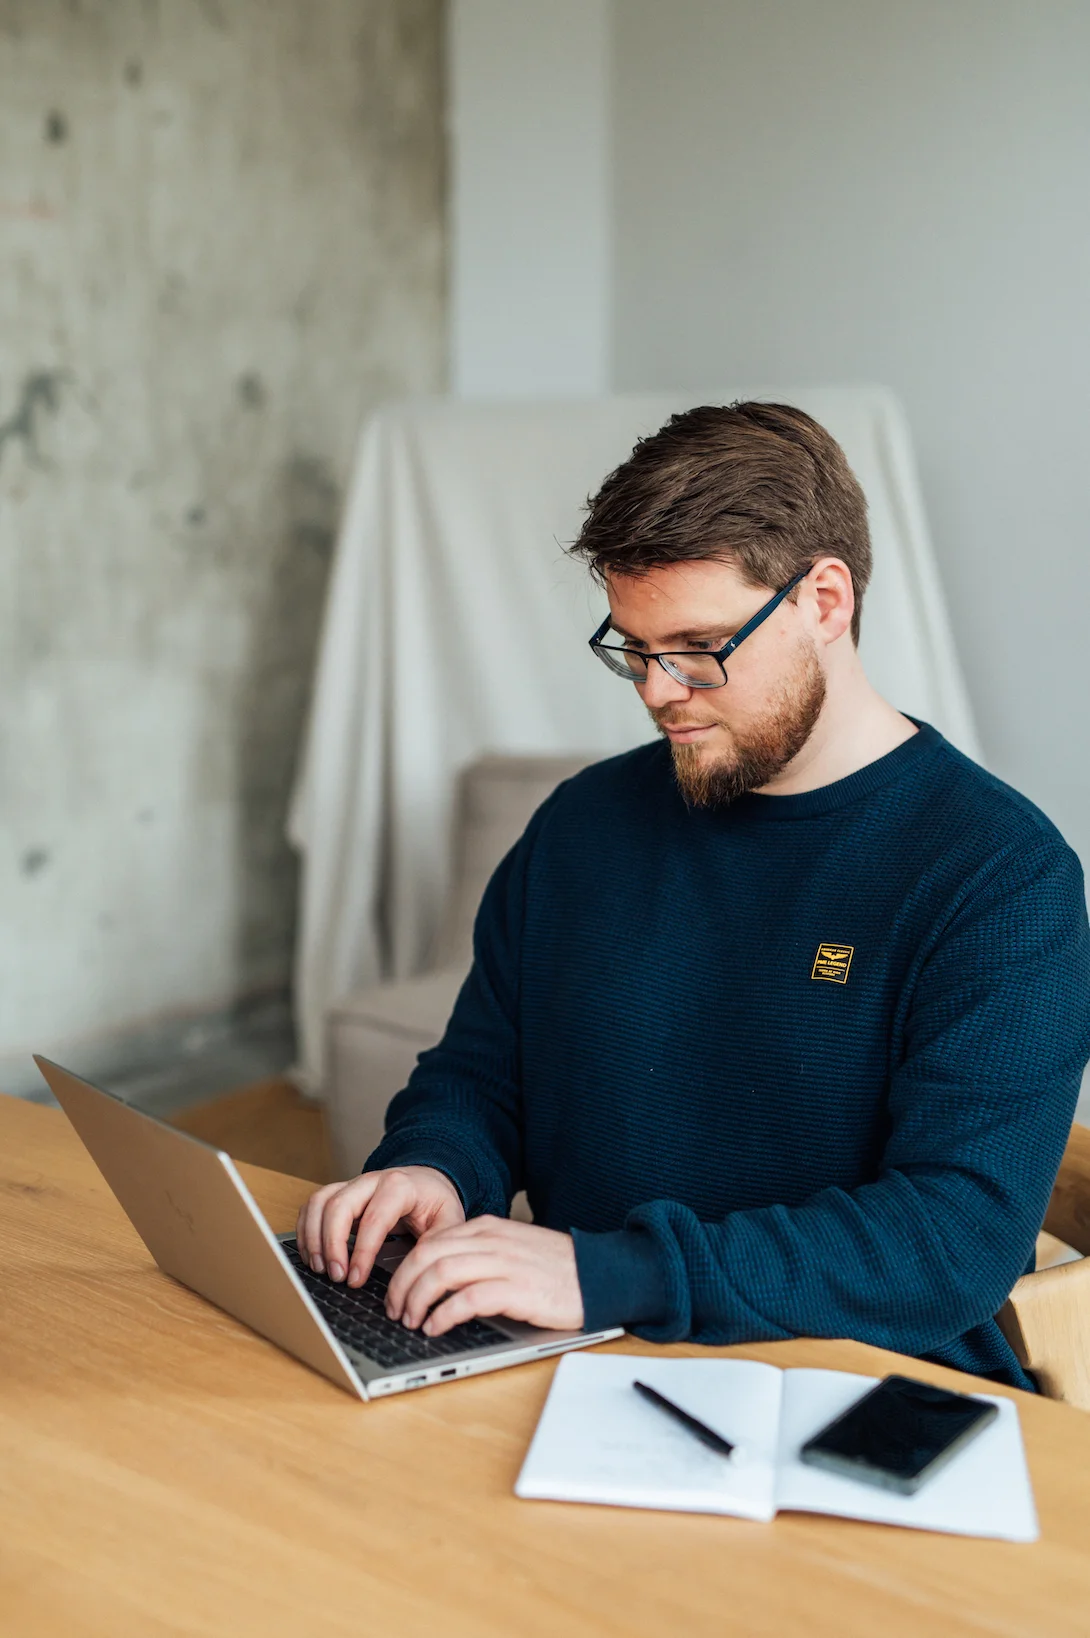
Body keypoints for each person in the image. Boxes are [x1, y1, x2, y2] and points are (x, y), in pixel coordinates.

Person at [296, 401, 1090, 1390]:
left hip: (860, 1385)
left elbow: (948, 1243)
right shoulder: (582, 826)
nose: (658, 689)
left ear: (825, 601)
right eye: (633, 647)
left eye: (698, 647)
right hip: (580, 1355)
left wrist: (613, 1273)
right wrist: (432, 1166)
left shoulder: (995, 878)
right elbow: (482, 1075)